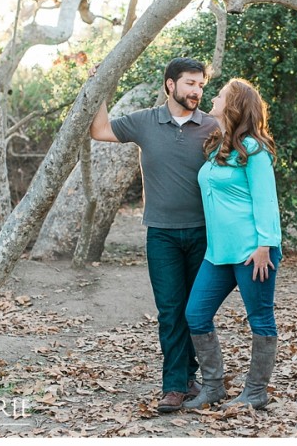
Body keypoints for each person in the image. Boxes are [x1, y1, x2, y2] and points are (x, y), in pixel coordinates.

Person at [90, 57, 219, 413]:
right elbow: (98, 130)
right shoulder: (144, 121)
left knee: (196, 312)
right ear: (170, 84)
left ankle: (193, 377)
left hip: (204, 233)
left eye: (201, 85)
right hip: (161, 234)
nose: (196, 91)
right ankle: (175, 385)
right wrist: (99, 84)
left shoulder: (213, 126)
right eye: (190, 84)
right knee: (169, 310)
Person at [183, 78, 282, 411]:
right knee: (195, 314)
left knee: (260, 320)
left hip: (254, 252)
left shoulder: (254, 149)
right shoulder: (217, 146)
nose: (213, 97)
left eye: (220, 95)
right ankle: (213, 387)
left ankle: (256, 392)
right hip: (218, 253)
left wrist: (266, 244)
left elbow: (266, 199)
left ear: (234, 105)